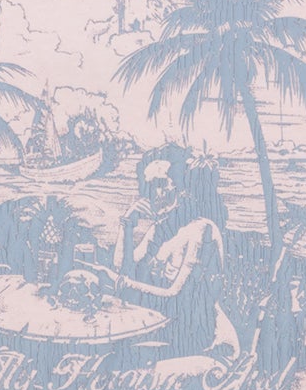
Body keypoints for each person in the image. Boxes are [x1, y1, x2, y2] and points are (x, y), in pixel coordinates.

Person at [102, 145, 240, 377]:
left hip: (201, 341)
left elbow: (176, 295)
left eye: (159, 184)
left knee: (121, 368)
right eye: (147, 185)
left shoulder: (201, 230)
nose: (150, 193)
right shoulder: (159, 229)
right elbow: (122, 268)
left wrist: (122, 283)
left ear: (180, 187)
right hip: (167, 330)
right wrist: (126, 225)